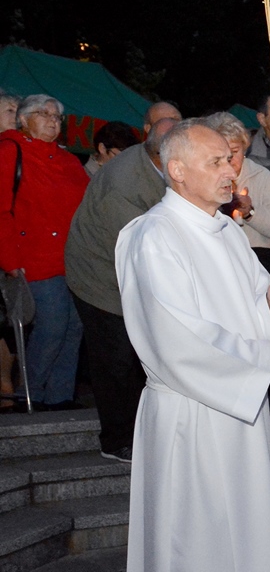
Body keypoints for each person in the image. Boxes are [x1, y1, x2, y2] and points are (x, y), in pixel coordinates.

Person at [116, 119, 270, 572]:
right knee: (192, 551)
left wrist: (268, 302)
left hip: (234, 412)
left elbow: (234, 306)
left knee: (238, 543)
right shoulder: (153, 236)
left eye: (232, 159)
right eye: (218, 161)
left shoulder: (225, 231)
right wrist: (263, 354)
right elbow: (177, 336)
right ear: (177, 170)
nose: (231, 170)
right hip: (191, 414)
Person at [66, 115, 179, 460]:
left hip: (123, 271)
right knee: (114, 358)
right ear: (165, 155)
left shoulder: (156, 167)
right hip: (99, 277)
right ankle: (117, 440)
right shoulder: (125, 185)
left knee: (134, 356)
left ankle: (142, 431)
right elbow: (138, 249)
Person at [0, 94, 90, 409]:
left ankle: (60, 396)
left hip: (73, 258)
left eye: (57, 116)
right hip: (34, 257)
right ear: (24, 120)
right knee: (52, 324)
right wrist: (10, 261)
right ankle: (32, 393)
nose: (53, 120)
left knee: (74, 327)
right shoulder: (10, 151)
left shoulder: (68, 161)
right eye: (44, 113)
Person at [204, 111, 270, 276]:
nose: (229, 159)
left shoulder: (261, 176)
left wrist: (250, 212)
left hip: (259, 263)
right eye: (220, 154)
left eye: (234, 151)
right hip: (216, 263)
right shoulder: (203, 178)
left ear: (245, 148)